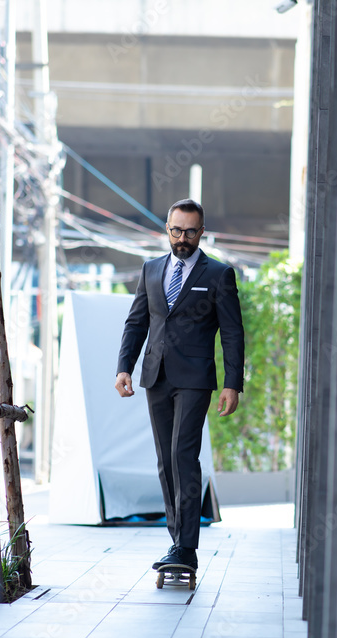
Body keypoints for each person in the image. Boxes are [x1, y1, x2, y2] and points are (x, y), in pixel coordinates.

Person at [115, 198, 245, 572]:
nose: (182, 238)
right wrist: (124, 367)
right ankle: (178, 541)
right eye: (176, 230)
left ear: (201, 232)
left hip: (195, 379)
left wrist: (232, 383)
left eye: (189, 231)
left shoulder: (218, 274)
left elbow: (232, 333)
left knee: (182, 456)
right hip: (155, 375)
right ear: (167, 229)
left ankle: (186, 546)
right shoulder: (151, 269)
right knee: (164, 461)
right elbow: (136, 322)